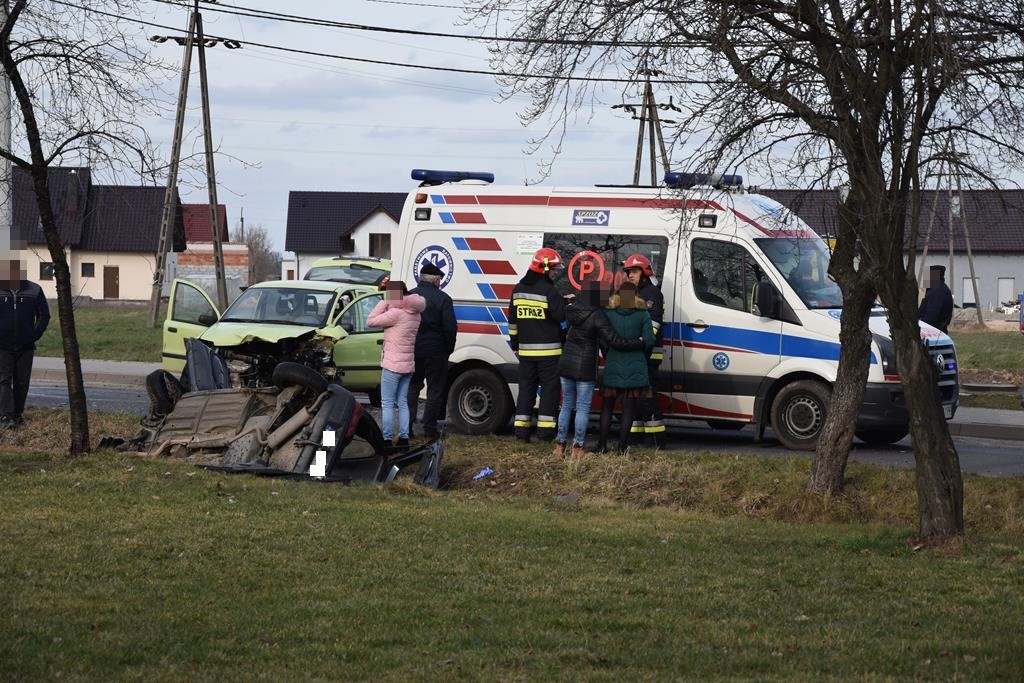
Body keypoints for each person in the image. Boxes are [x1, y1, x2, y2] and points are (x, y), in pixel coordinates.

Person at [554, 279, 645, 458]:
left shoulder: (570, 309)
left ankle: (559, 447)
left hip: (566, 362)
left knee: (566, 406)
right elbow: (613, 340)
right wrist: (638, 342)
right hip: (585, 366)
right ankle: (578, 449)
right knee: (582, 408)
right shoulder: (598, 315)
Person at [508, 247, 566, 442]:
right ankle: (545, 433)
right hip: (550, 353)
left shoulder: (518, 289)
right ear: (545, 268)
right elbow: (560, 317)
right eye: (554, 269)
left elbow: (513, 323)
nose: (555, 273)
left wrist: (515, 345)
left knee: (526, 390)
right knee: (549, 391)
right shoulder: (549, 290)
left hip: (525, 352)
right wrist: (564, 303)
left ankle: (521, 433)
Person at [596, 281, 655, 454]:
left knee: (607, 408)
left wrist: (609, 354)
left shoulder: (609, 313)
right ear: (635, 296)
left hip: (613, 364)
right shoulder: (643, 314)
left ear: (618, 295)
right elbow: (649, 340)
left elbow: (603, 340)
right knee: (628, 410)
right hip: (635, 366)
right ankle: (622, 448)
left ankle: (602, 445)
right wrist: (641, 349)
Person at [366, 280, 426, 449]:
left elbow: (370, 321)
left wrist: (384, 302)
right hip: (408, 365)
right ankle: (404, 439)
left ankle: (387, 440)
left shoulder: (396, 314)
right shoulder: (416, 314)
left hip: (392, 365)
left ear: (395, 295)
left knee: (387, 403)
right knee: (402, 402)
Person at [407, 261, 457, 438]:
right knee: (434, 390)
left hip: (413, 350)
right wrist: (448, 350)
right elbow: (450, 328)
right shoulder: (443, 299)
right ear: (436, 280)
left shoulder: (408, 296)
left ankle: (407, 429)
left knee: (412, 387)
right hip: (436, 351)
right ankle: (429, 429)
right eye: (439, 280)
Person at [622, 254, 667, 448]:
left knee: (647, 397)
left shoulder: (652, 293)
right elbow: (622, 318)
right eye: (628, 272)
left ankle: (656, 439)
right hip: (632, 352)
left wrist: (641, 343)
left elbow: (654, 323)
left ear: (644, 272)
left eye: (634, 271)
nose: (630, 275)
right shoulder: (627, 292)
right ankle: (635, 435)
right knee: (634, 397)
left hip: (648, 354)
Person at [0, 258, 50, 429]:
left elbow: (44, 315)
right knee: (4, 381)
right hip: (2, 346)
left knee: (22, 383)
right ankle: (6, 417)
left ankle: (17, 414)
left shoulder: (35, 290)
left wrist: (34, 335)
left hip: (26, 346)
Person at [919, 264, 954, 333]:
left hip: (933, 332)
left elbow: (931, 315)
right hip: (936, 330)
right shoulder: (938, 289)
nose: (925, 279)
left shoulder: (937, 292)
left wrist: (922, 329)